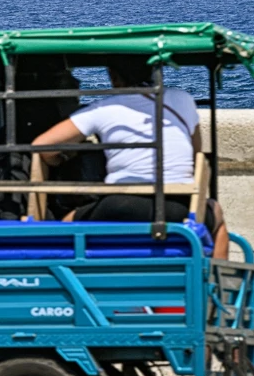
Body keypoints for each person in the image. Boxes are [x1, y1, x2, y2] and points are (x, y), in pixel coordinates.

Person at [32, 57, 229, 259]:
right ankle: (220, 285)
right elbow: (196, 153)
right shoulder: (183, 98)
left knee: (64, 225)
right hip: (179, 207)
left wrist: (60, 159)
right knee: (217, 217)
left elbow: (42, 146)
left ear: (113, 76)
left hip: (120, 206)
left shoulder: (102, 108)